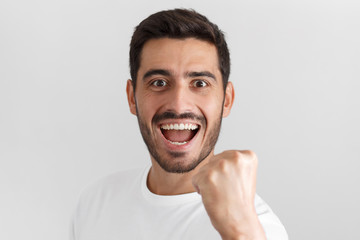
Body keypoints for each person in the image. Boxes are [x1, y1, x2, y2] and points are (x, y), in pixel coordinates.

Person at [70, 8, 288, 240]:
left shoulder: (258, 228)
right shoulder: (94, 204)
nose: (179, 104)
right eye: (159, 82)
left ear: (227, 100)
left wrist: (240, 231)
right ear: (132, 97)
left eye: (200, 83)